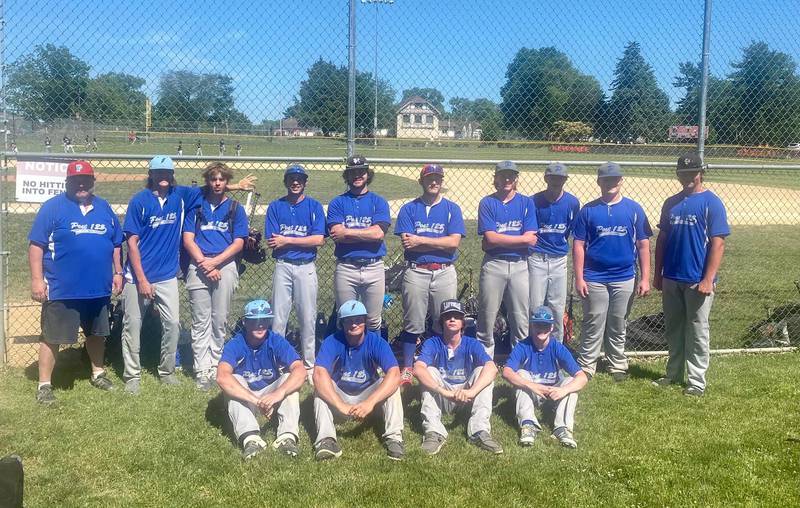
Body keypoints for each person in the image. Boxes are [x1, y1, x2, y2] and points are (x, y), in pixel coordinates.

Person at [120, 155, 254, 394]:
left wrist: (236, 186)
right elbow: (131, 243)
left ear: (172, 175)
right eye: (158, 173)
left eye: (167, 173)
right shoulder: (139, 201)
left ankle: (167, 370)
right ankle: (133, 375)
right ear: (150, 174)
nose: (163, 177)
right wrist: (140, 279)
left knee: (172, 324)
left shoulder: (178, 196)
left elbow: (211, 186)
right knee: (132, 325)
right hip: (138, 275)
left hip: (167, 275)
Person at [28, 160, 124, 405]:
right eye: (76, 180)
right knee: (52, 337)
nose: (81, 184)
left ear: (93, 181)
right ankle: (44, 385)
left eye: (86, 180)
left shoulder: (104, 207)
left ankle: (98, 373)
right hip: (62, 288)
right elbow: (36, 245)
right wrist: (37, 280)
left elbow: (115, 244)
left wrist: (118, 272)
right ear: (68, 182)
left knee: (96, 334)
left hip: (97, 288)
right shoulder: (53, 207)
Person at [653, 153, 730, 396]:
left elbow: (718, 244)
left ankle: (696, 381)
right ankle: (673, 373)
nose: (687, 176)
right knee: (673, 327)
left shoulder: (711, 202)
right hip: (672, 276)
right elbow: (662, 240)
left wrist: (708, 278)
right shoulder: (671, 203)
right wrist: (658, 274)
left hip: (697, 279)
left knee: (697, 329)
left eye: (692, 172)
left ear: (701, 173)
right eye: (683, 172)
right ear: (677, 174)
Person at [573, 162, 652, 381]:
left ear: (621, 181)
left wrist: (645, 278)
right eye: (606, 179)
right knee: (593, 321)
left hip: (624, 276)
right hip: (594, 276)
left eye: (614, 179)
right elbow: (578, 245)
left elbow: (643, 245)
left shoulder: (633, 209)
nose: (610, 183)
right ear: (599, 182)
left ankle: (616, 363)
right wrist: (579, 278)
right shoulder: (588, 210)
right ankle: (587, 364)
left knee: (618, 322)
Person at [394, 163, 465, 386]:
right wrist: (437, 244)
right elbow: (408, 243)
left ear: (442, 181)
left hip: (444, 272)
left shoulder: (452, 208)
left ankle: (437, 363)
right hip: (416, 270)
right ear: (421, 181)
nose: (434, 182)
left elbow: (453, 243)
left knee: (444, 321)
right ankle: (407, 368)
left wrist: (421, 240)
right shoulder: (409, 209)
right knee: (412, 322)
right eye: (429, 178)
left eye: (437, 178)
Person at [183, 162, 250, 391]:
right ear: (208, 181)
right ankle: (201, 368)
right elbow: (188, 239)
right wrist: (204, 263)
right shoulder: (197, 205)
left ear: (227, 181)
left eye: (222, 179)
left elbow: (239, 242)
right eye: (213, 179)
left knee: (219, 318)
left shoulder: (234, 208)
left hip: (225, 264)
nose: (217, 183)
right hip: (199, 263)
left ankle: (215, 364)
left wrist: (216, 262)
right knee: (200, 320)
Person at [312, 300, 404, 461]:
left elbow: (395, 373)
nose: (354, 324)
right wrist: (341, 405)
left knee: (392, 385)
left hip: (369, 396)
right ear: (341, 323)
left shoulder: (376, 342)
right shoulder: (332, 341)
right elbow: (319, 373)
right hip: (340, 395)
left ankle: (394, 438)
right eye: (348, 320)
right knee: (320, 388)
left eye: (358, 319)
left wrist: (370, 403)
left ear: (365, 321)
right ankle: (326, 440)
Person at [216, 300, 306, 459]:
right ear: (245, 322)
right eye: (255, 321)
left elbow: (300, 370)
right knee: (234, 379)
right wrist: (258, 401)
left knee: (288, 379)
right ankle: (251, 439)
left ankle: (287, 438)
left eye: (264, 320)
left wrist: (278, 393)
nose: (260, 325)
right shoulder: (236, 344)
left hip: (270, 394)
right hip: (246, 397)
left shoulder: (275, 340)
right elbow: (222, 377)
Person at [413, 300, 502, 455]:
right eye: (448, 316)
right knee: (430, 371)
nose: (452, 319)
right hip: (444, 395)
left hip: (466, 397)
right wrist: (443, 391)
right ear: (442, 322)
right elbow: (418, 369)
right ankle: (434, 433)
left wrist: (472, 391)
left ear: (462, 323)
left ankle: (479, 431)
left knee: (483, 370)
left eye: (457, 316)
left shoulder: (472, 343)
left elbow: (492, 368)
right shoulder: (433, 343)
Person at [265, 164, 326, 383]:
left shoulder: (314, 206)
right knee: (278, 318)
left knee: (307, 317)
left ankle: (309, 365)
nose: (295, 182)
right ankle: (278, 363)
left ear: (305, 182)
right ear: (286, 181)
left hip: (306, 267)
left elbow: (318, 239)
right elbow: (273, 242)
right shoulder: (275, 206)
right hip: (283, 265)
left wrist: (287, 240)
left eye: (299, 178)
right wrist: (300, 241)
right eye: (291, 178)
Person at [502, 306, 588, 448]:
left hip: (553, 393)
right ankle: (528, 425)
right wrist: (532, 386)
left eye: (545, 325)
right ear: (532, 325)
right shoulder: (523, 346)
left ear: (552, 327)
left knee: (571, 382)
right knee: (520, 375)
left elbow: (582, 377)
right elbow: (507, 372)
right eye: (538, 325)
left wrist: (563, 390)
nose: (542, 329)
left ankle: (563, 428)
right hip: (532, 394)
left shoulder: (557, 347)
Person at [476, 160, 538, 357]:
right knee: (486, 316)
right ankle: (484, 362)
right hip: (494, 264)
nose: (507, 179)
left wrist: (498, 240)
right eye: (502, 175)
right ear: (495, 179)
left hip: (520, 265)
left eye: (511, 175)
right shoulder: (487, 203)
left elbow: (532, 240)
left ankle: (518, 363)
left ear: (516, 179)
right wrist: (520, 239)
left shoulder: (526, 203)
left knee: (520, 319)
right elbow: (490, 239)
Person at [326, 155, 391, 331]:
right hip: (346, 267)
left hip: (374, 267)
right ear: (347, 176)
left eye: (361, 171)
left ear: (367, 174)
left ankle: (372, 357)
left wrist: (347, 232)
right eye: (353, 172)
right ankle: (346, 357)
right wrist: (366, 233)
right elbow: (335, 234)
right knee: (346, 318)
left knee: (373, 321)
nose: (357, 175)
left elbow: (378, 234)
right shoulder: (338, 202)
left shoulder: (379, 202)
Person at [529, 162, 580, 342]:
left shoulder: (572, 202)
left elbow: (570, 232)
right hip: (537, 257)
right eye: (553, 177)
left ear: (565, 180)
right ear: (546, 178)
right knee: (534, 305)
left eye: (560, 178)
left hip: (559, 258)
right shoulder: (534, 201)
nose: (556, 181)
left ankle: (557, 347)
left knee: (557, 306)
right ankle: (533, 344)